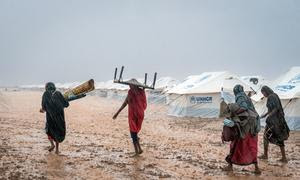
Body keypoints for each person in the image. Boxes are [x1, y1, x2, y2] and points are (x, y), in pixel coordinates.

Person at [223, 85, 261, 174]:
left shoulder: (240, 96)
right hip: (253, 125)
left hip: (245, 125)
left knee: (236, 144)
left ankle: (230, 166)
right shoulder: (247, 97)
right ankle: (256, 168)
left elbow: (244, 107)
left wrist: (234, 112)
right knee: (251, 146)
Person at [113, 82, 147, 156]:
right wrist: (117, 113)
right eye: (129, 85)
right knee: (135, 132)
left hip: (134, 115)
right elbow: (143, 102)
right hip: (140, 114)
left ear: (134, 85)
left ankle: (136, 152)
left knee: (133, 133)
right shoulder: (141, 92)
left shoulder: (131, 93)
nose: (130, 86)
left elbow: (125, 103)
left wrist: (117, 113)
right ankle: (140, 149)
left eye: (131, 85)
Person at [259, 85, 290, 162]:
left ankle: (265, 155)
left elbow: (276, 108)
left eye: (263, 93)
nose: (264, 95)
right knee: (279, 138)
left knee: (266, 136)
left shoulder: (271, 97)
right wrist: (265, 115)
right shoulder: (275, 95)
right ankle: (284, 157)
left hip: (274, 122)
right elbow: (272, 108)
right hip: (279, 121)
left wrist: (270, 116)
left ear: (266, 91)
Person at [40, 82, 69, 154]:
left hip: (50, 118)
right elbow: (66, 104)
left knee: (49, 131)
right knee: (57, 132)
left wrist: (42, 110)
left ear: (46, 88)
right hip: (59, 118)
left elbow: (44, 108)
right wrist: (64, 100)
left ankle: (52, 145)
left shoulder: (45, 95)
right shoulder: (58, 93)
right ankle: (57, 150)